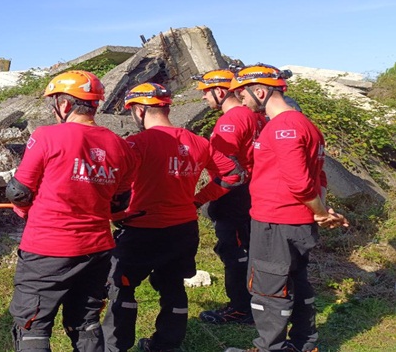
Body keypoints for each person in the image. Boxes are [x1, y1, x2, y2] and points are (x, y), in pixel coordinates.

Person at [102, 82, 244, 352]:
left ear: (140, 110)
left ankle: (116, 347)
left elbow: (110, 182)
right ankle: (167, 345)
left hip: (141, 229)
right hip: (183, 229)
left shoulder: (134, 144)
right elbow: (233, 175)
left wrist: (114, 213)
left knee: (122, 285)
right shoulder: (199, 142)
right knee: (173, 286)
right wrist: (198, 199)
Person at [6, 70, 137, 352]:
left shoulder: (45, 136)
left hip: (47, 250)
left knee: (32, 325)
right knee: (86, 322)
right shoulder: (121, 146)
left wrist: (23, 209)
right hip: (97, 249)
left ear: (64, 105)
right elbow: (119, 204)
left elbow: (18, 191)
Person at [224, 65, 347, 352]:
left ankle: (270, 348)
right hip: (295, 221)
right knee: (296, 280)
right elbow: (319, 177)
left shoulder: (283, 127)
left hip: (276, 221)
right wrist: (322, 210)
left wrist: (319, 211)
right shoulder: (304, 124)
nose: (240, 100)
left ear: (261, 91)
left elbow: (300, 182)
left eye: (242, 93)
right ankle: (305, 343)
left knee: (268, 287)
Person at [191, 70, 265, 325]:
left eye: (205, 92)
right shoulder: (256, 116)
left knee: (233, 252)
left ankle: (241, 308)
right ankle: (257, 302)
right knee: (248, 248)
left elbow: (230, 173)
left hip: (233, 195)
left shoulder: (231, 120)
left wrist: (200, 199)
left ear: (219, 92)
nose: (203, 98)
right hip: (253, 192)